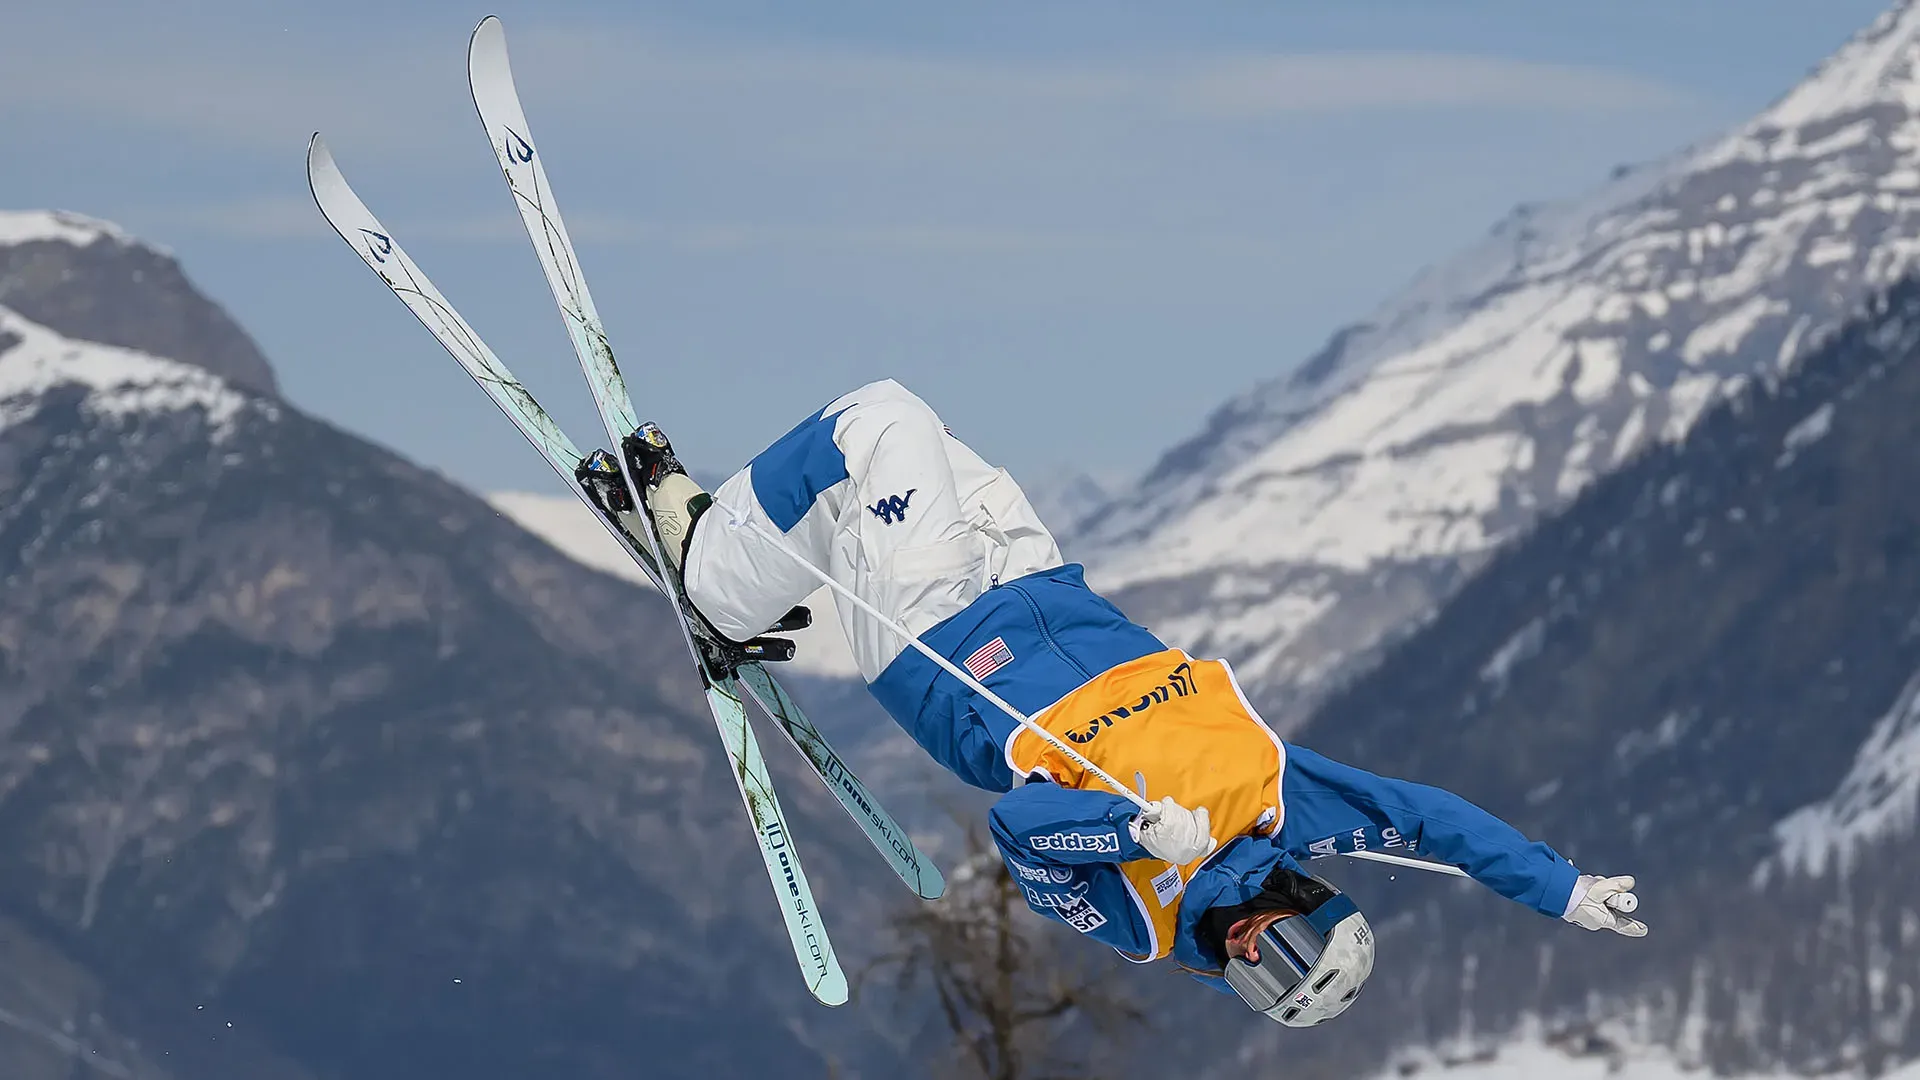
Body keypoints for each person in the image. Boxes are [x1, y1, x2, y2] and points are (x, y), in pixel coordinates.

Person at [601, 379, 1645, 1028]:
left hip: (942, 647)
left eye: (1253, 982)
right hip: (1042, 581)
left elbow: (1018, 832)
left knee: (878, 419)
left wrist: (1131, 828)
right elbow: (1431, 822)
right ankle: (717, 546)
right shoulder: (1291, 809)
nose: (1244, 954)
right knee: (886, 477)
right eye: (1277, 950)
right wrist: (1556, 889)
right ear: (1311, 902)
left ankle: (707, 574)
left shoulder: (1141, 916)